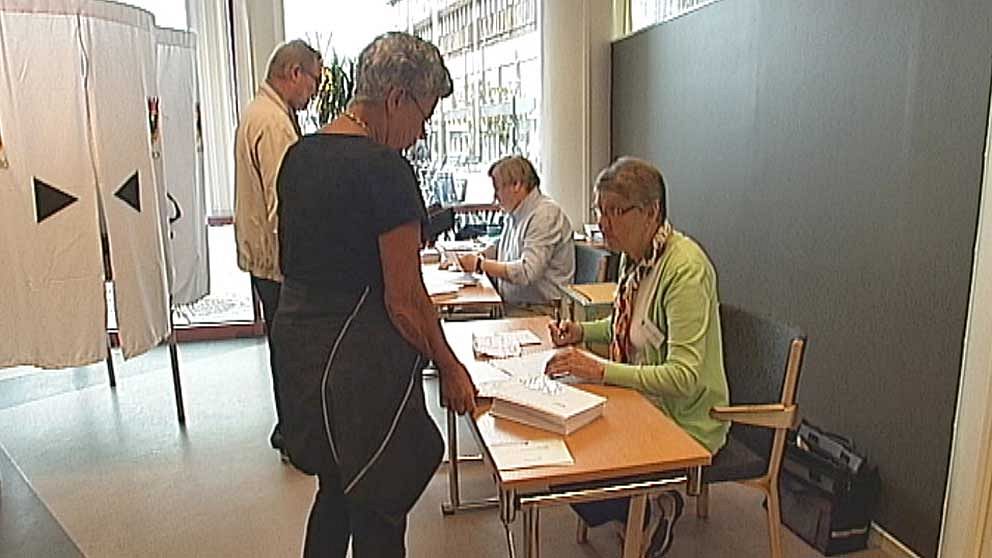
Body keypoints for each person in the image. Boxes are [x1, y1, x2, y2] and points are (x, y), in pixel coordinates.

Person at [272, 32, 477, 558]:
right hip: (362, 372)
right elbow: (404, 301)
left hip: (303, 362)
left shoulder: (299, 158)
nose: (421, 132)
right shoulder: (386, 171)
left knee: (335, 492)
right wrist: (450, 367)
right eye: (424, 116)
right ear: (397, 99)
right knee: (380, 509)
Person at [545, 156, 730, 558]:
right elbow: (628, 323)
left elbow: (684, 377)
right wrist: (581, 332)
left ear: (651, 212)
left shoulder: (685, 270)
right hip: (644, 402)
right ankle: (648, 506)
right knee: (566, 454)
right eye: (600, 210)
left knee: (580, 469)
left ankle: (651, 508)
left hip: (687, 419)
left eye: (616, 211)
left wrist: (601, 370)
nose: (604, 223)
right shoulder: (637, 255)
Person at [233, 39, 322, 464]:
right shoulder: (274, 124)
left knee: (283, 347)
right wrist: (300, 266)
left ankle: (288, 428)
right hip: (278, 264)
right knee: (294, 351)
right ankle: (296, 437)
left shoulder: (258, 112)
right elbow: (281, 201)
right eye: (314, 82)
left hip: (264, 260)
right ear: (293, 73)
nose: (315, 93)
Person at [453, 155, 574, 315]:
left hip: (541, 311)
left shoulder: (545, 215)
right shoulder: (517, 213)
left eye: (497, 188)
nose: (495, 196)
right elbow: (502, 248)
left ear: (517, 184)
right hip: (516, 305)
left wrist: (480, 265)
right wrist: (480, 255)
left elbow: (527, 272)